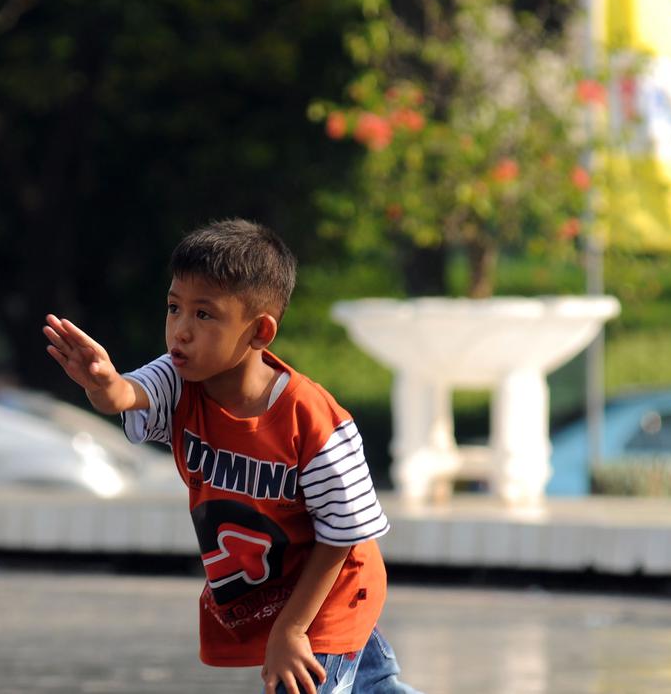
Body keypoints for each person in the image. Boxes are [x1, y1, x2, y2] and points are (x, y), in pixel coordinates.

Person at [43, 219, 418, 694]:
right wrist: (102, 382)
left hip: (332, 593)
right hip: (272, 592)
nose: (180, 330)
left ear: (260, 331)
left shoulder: (314, 421)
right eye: (174, 307)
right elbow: (125, 395)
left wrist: (291, 630)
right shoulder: (180, 381)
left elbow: (343, 536)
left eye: (204, 315)